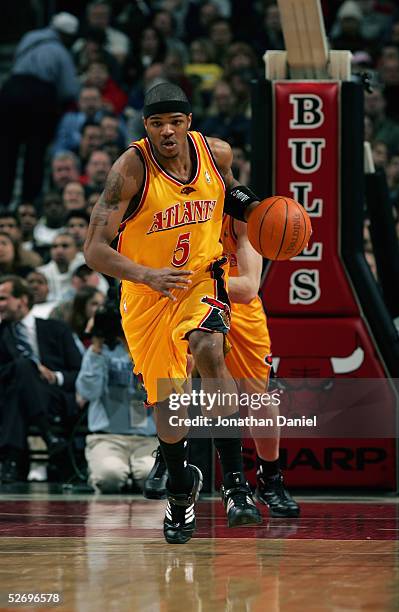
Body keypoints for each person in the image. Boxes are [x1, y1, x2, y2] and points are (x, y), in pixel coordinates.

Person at [84, 82, 265, 544]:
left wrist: (259, 209)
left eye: (176, 122)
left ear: (189, 122)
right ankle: (183, 491)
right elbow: (94, 250)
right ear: (145, 126)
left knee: (208, 347)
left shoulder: (216, 153)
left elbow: (232, 192)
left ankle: (237, 486)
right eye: (157, 123)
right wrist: (146, 275)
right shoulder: (129, 169)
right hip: (146, 293)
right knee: (169, 402)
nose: (167, 132)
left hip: (199, 279)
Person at [145, 215, 300, 517]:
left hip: (238, 309)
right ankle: (170, 458)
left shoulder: (241, 216)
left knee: (259, 398)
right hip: (186, 303)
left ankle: (270, 479)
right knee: (177, 376)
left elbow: (249, 287)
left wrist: (205, 277)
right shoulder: (180, 209)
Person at [0, 275, 82, 483]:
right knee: (23, 368)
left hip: (53, 395)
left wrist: (55, 377)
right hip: (8, 397)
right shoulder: (2, 333)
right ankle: (50, 437)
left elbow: (79, 372)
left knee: (19, 388)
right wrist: (30, 368)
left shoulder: (56, 328)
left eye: (3, 298)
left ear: (22, 300)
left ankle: (11, 461)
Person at [76, 300, 157, 493]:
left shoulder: (149, 346)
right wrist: (96, 344)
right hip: (107, 437)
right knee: (109, 477)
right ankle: (107, 471)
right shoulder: (99, 351)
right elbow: (88, 392)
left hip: (146, 437)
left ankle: (132, 473)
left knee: (150, 477)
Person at [0, 12, 80, 207]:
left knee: (6, 149)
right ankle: (28, 200)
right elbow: (69, 90)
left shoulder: (29, 38)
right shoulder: (62, 53)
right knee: (34, 151)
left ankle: (3, 198)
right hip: (40, 98)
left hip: (11, 91)